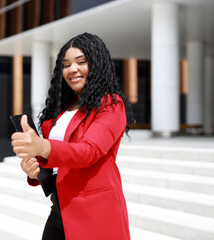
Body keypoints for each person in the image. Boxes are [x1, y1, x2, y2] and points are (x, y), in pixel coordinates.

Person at [11, 32, 132, 240]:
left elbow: (88, 151)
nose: (72, 69)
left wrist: (42, 146)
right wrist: (34, 171)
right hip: (60, 206)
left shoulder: (111, 104)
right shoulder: (61, 110)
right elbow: (57, 162)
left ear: (96, 64)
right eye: (66, 65)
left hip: (94, 210)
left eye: (81, 62)